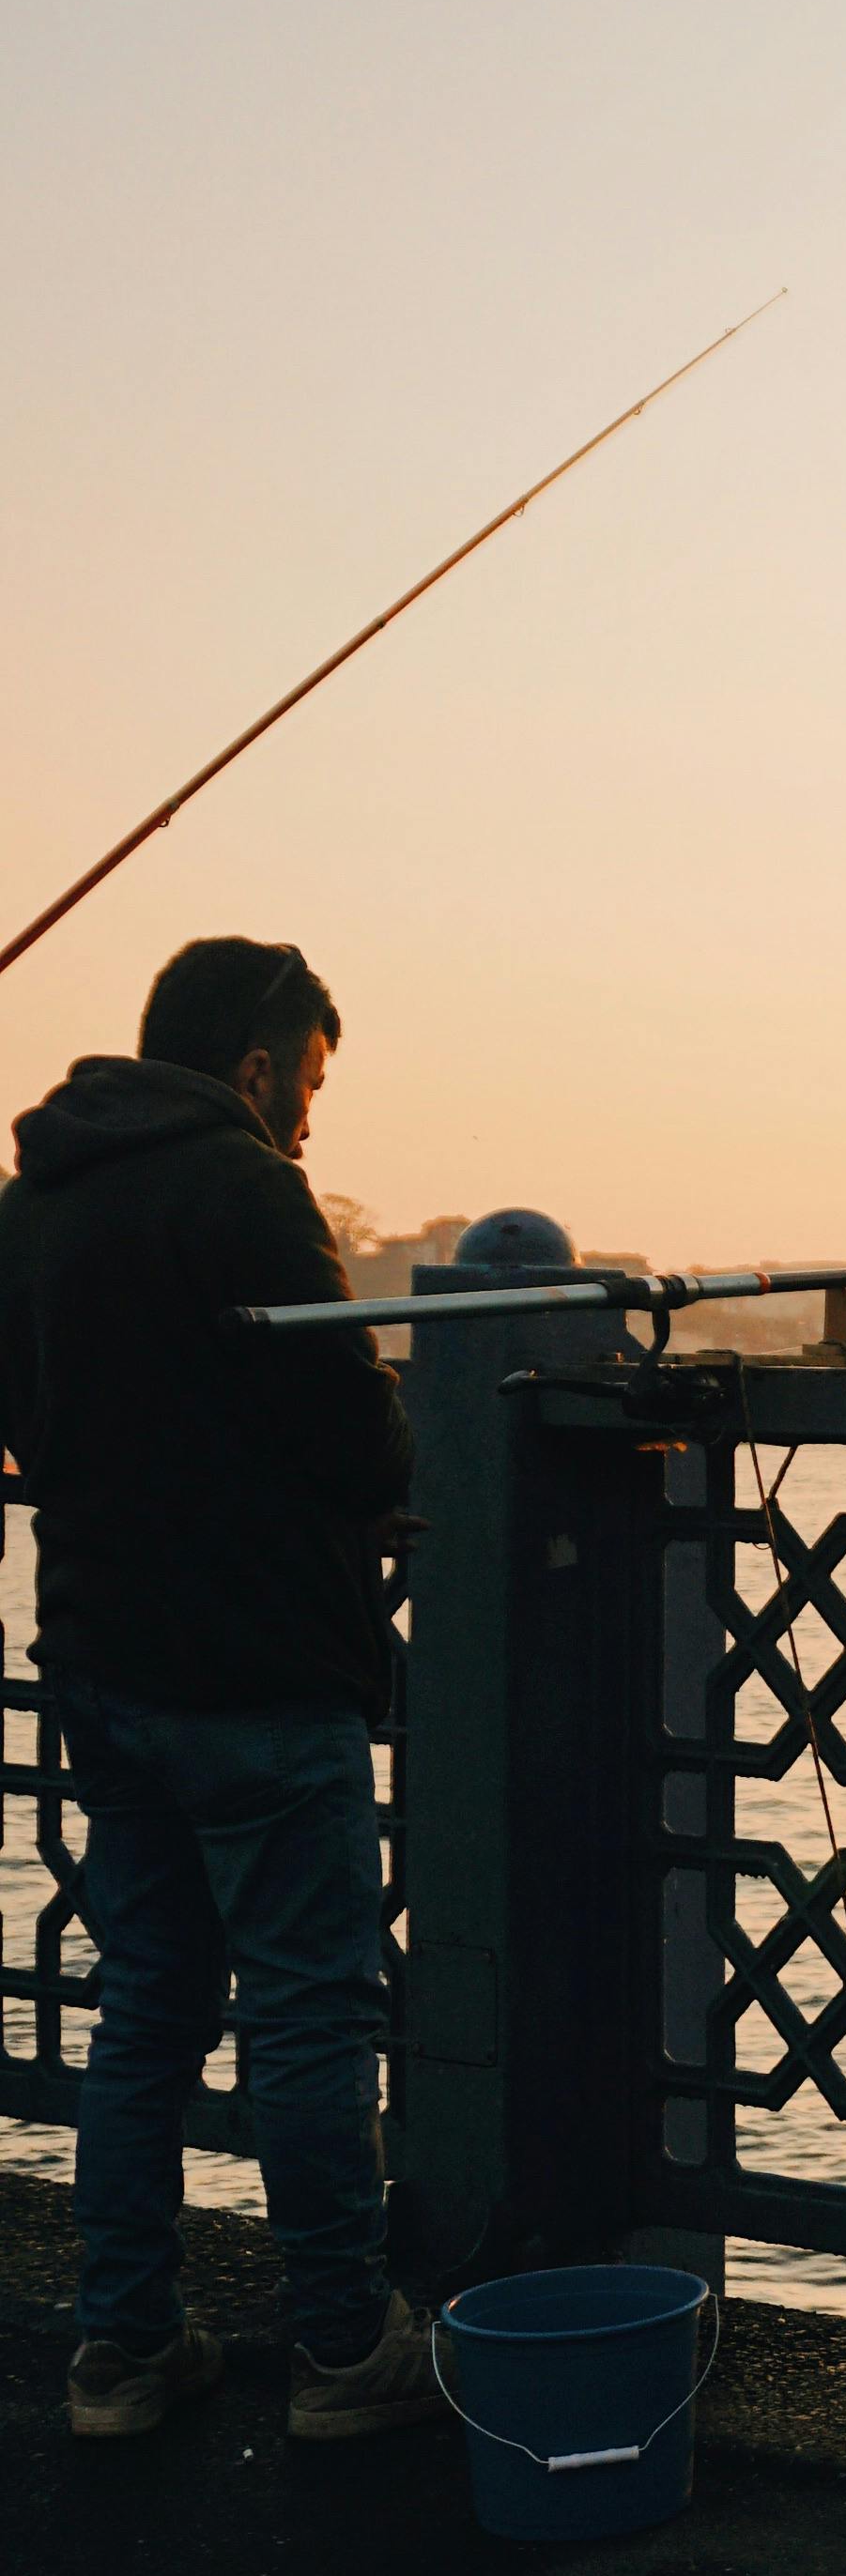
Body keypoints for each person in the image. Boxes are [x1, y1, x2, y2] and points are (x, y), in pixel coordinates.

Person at [0, 936, 436, 2442]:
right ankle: (338, 2350)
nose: (308, 1121)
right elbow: (354, 1433)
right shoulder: (245, 1183)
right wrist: (363, 1487)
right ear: (255, 1067)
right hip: (256, 1672)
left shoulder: (32, 1198)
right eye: (304, 1087)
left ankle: (120, 2354)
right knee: (312, 2013)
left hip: (104, 1670)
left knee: (147, 2010)